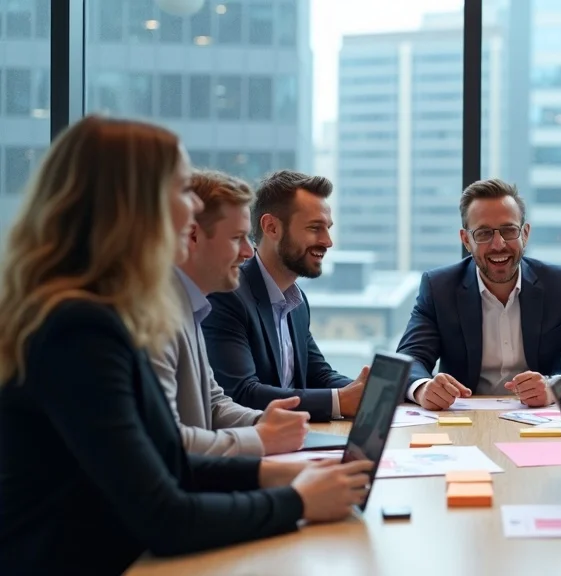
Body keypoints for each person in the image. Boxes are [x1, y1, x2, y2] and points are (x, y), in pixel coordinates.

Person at [0, 116, 373, 574]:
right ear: (132, 205)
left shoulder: (112, 313)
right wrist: (297, 500)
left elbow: (166, 459)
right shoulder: (78, 328)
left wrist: (280, 473)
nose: (193, 205)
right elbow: (164, 514)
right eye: (181, 189)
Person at [396, 178, 561, 409]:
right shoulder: (439, 287)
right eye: (483, 233)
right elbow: (409, 360)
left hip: (540, 420)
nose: (498, 244)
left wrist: (555, 387)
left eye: (509, 230)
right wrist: (422, 388)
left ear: (525, 234)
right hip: (462, 420)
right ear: (466, 240)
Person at [151, 169, 310, 457]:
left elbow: (213, 402)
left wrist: (262, 422)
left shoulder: (192, 306)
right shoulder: (154, 319)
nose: (249, 252)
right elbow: (165, 441)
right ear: (193, 236)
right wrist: (262, 439)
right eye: (237, 238)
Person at [203, 170, 369, 423]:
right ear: (271, 227)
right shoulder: (227, 294)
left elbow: (319, 375)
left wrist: (369, 392)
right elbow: (240, 393)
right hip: (254, 446)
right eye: (315, 228)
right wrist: (339, 400)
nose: (327, 241)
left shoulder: (296, 300)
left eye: (328, 229)